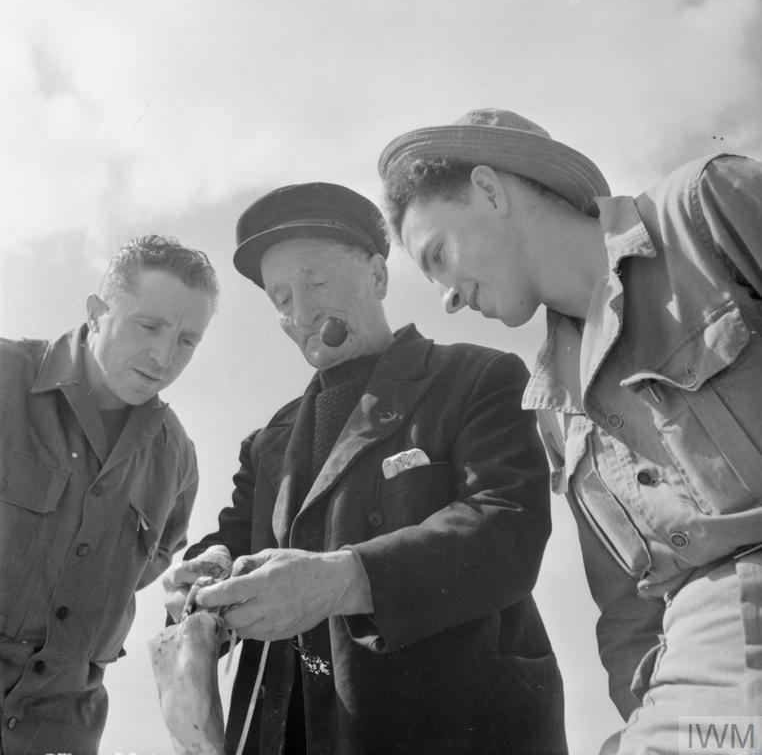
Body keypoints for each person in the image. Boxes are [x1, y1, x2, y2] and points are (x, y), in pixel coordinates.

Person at [377, 108, 762, 754]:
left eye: (437, 255)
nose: (444, 296)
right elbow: (628, 612)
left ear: (490, 191)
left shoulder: (704, 210)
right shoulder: (554, 405)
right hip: (699, 690)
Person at [162, 182, 567, 755]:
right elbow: (231, 539)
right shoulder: (266, 443)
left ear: (378, 277)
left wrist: (343, 580)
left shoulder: (480, 378)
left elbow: (507, 528)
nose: (300, 313)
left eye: (318, 283)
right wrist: (205, 568)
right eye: (280, 298)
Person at [0, 235, 218, 755]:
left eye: (188, 340)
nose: (165, 356)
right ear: (97, 312)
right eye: (150, 326)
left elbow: (144, 572)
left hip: (60, 736)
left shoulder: (178, 462)